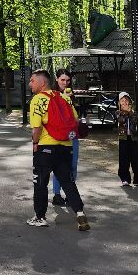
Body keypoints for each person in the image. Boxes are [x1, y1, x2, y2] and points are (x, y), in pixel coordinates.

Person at [27, 69, 87, 230]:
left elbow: (36, 127)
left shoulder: (38, 100)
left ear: (42, 82)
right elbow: (74, 119)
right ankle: (80, 214)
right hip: (65, 146)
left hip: (46, 147)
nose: (30, 83)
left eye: (32, 80)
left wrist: (35, 143)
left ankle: (40, 217)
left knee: (40, 182)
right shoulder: (63, 97)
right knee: (68, 182)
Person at [50, 70, 80, 206]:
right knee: (60, 165)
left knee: (73, 165)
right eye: (62, 80)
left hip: (72, 134)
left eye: (68, 81)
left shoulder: (71, 95)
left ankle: (70, 193)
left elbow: (74, 116)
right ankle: (57, 194)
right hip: (58, 136)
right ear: (57, 79)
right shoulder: (52, 95)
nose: (65, 83)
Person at [114, 91, 138, 186]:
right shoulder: (118, 112)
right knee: (124, 159)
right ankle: (125, 179)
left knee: (136, 158)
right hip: (123, 138)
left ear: (129, 102)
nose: (124, 103)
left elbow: (135, 120)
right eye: (122, 101)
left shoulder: (134, 113)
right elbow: (121, 120)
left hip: (133, 138)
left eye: (126, 100)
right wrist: (126, 112)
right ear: (119, 103)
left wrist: (130, 112)